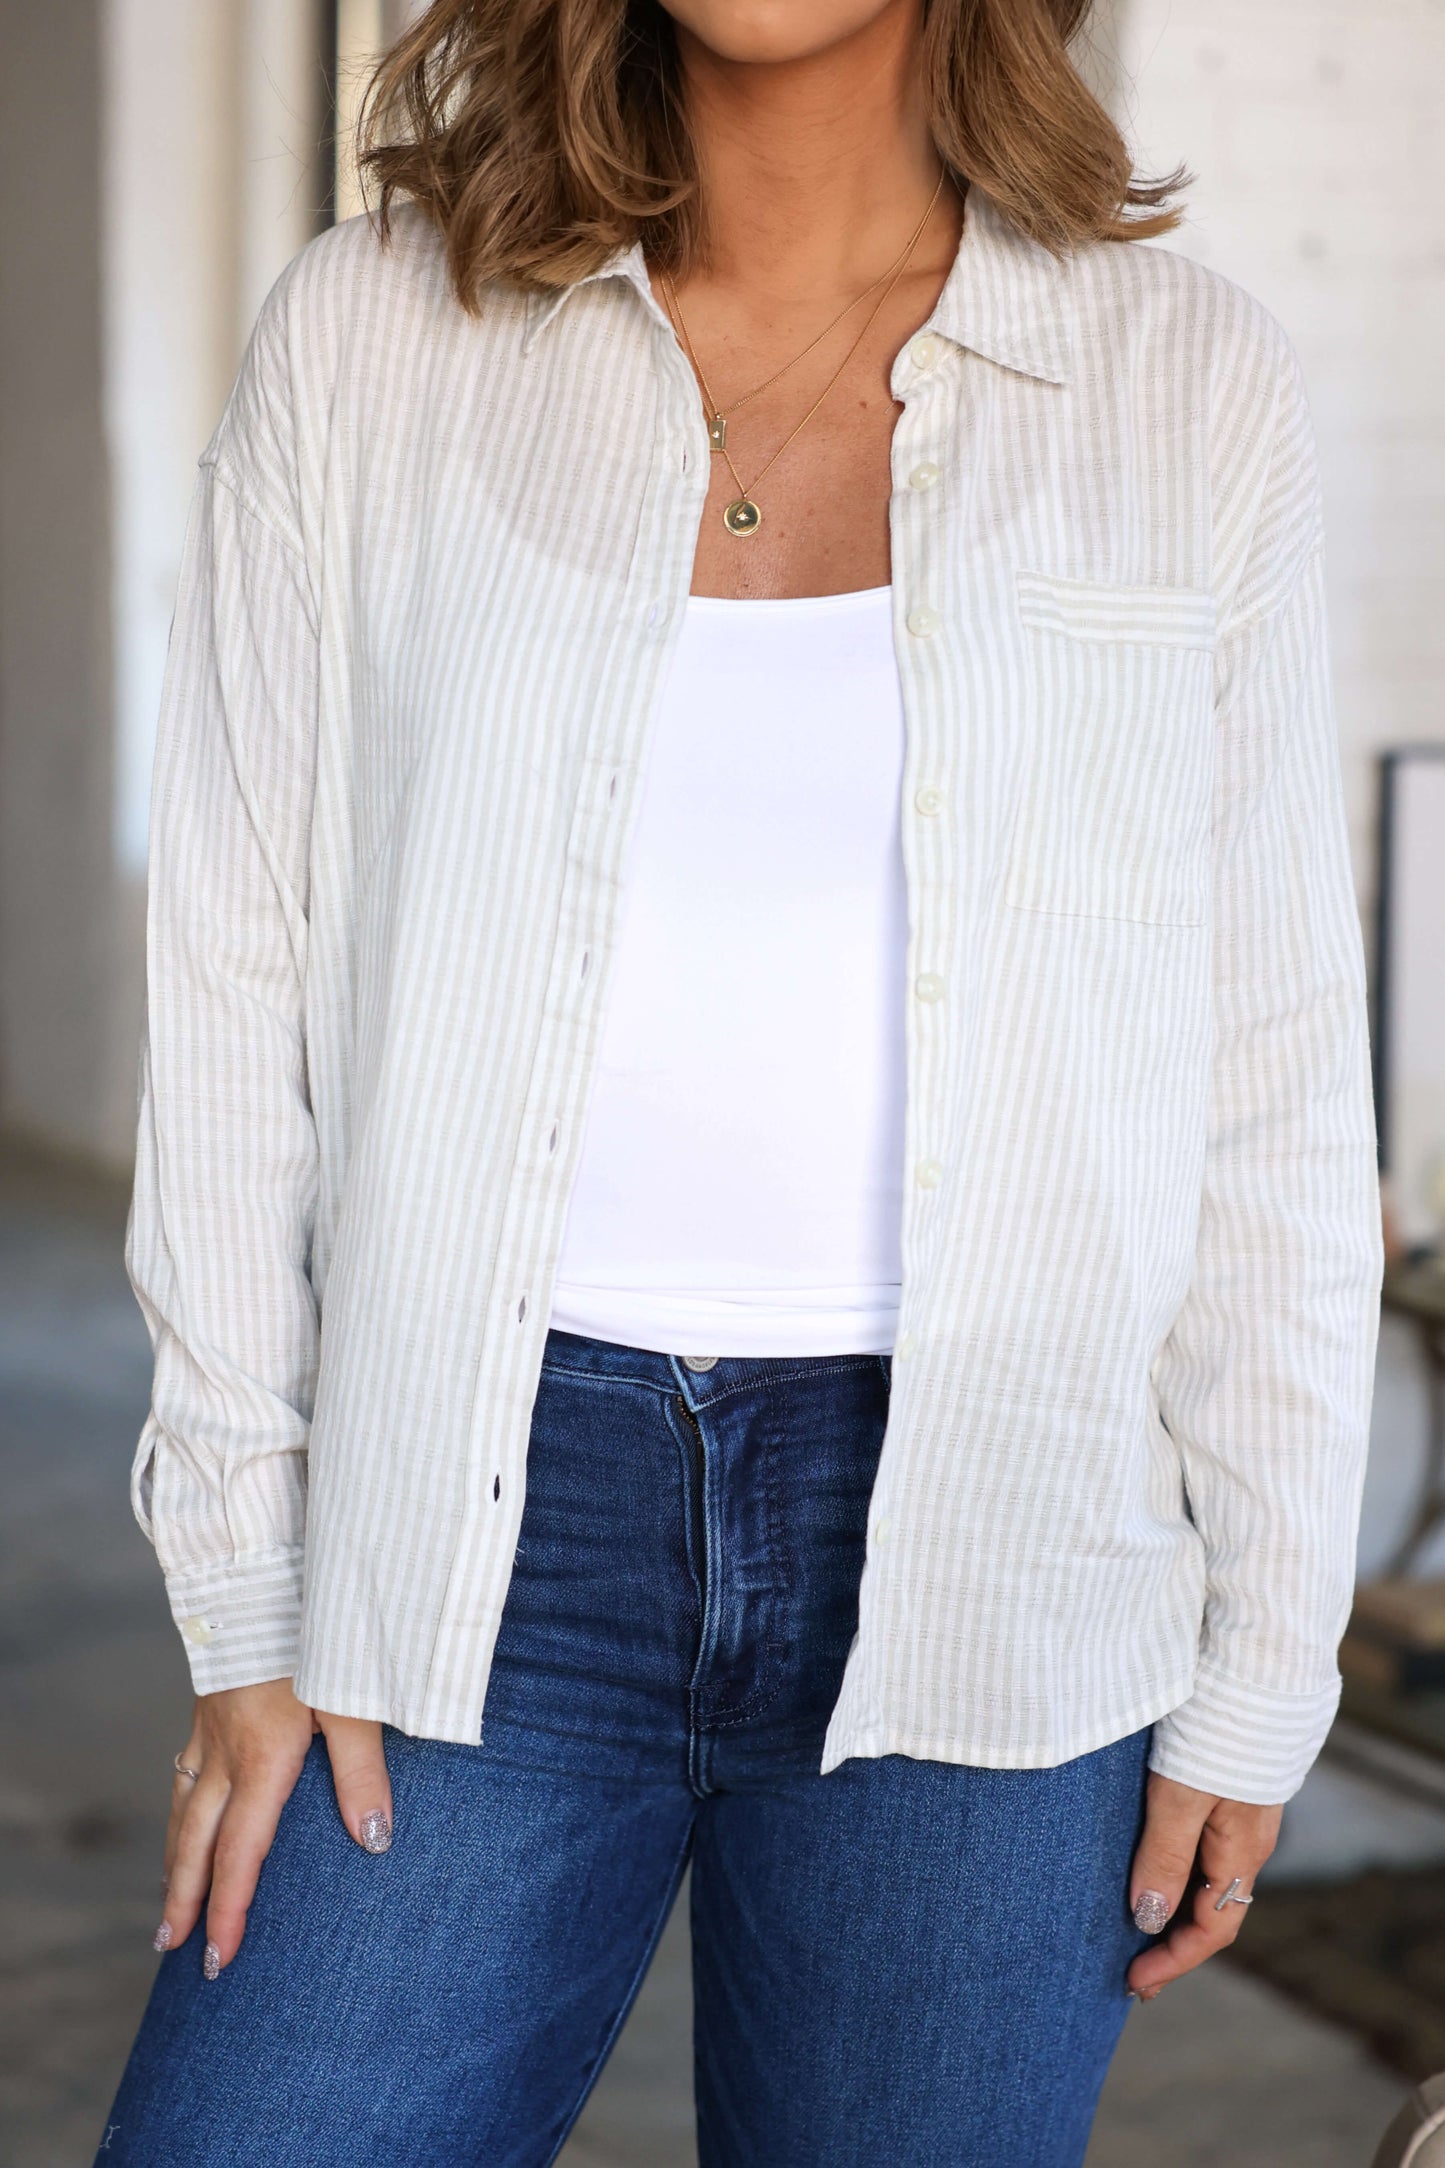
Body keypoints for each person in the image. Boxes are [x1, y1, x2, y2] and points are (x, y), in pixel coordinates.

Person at [97, 0, 1385, 2161]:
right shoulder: (369, 343)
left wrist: (1269, 1649)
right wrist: (243, 1579)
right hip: (468, 1532)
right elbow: (235, 984)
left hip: (1001, 1541)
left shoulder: (1188, 386)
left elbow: (1261, 1077)